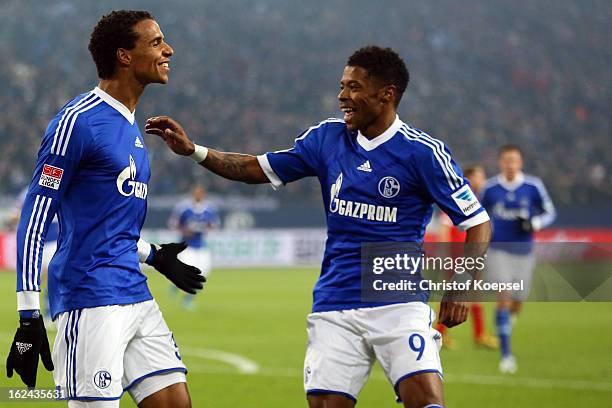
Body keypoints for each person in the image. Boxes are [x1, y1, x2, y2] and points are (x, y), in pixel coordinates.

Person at [146, 45, 491, 408]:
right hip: (335, 302)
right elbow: (253, 168)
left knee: (426, 401)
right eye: (342, 86)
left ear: (386, 94)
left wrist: (463, 283)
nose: (342, 96)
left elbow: (478, 223)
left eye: (354, 87)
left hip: (398, 302)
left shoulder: (423, 152)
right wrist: (194, 151)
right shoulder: (327, 138)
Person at [6, 10, 205, 407]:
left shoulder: (132, 126)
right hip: (91, 298)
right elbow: (34, 217)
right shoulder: (78, 122)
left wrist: (155, 256)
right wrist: (28, 316)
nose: (169, 50)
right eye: (156, 42)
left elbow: (106, 224)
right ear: (125, 56)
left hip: (134, 290)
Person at [481, 144, 556, 374]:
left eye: (514, 160)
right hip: (498, 251)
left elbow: (550, 212)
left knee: (517, 301)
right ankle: (506, 355)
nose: (510, 165)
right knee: (503, 298)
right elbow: (478, 213)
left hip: (524, 252)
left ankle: (504, 323)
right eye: (506, 160)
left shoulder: (533, 186)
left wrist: (535, 223)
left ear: (520, 162)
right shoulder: (490, 188)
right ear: (500, 162)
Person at [435, 165, 498, 350]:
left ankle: (478, 334)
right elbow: (444, 226)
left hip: (471, 254)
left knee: (474, 293)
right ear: (469, 178)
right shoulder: (459, 197)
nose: (483, 180)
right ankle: (440, 332)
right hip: (458, 256)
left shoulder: (478, 200)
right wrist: (446, 253)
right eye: (480, 176)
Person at [168, 184, 220, 309]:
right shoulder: (184, 208)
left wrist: (207, 227)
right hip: (187, 246)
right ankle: (182, 293)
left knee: (204, 273)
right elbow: (173, 224)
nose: (198, 195)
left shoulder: (209, 209)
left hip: (201, 245)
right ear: (193, 194)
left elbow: (215, 225)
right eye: (196, 193)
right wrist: (185, 230)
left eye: (200, 193)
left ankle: (185, 295)